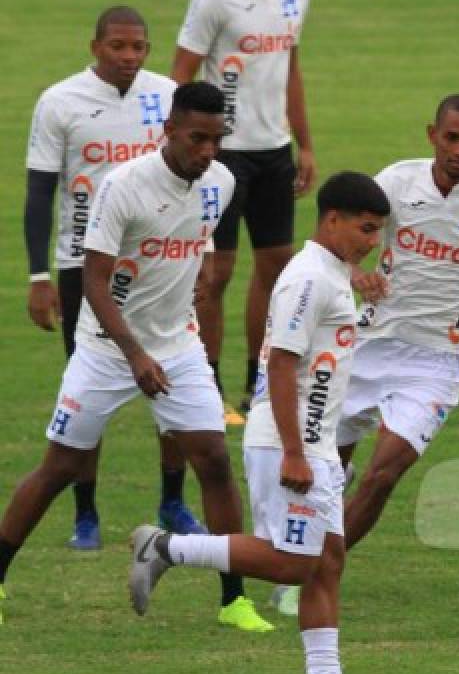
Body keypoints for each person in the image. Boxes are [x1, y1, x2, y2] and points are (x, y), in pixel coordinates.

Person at [0, 82, 272, 633]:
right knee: (61, 467)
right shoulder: (122, 187)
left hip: (178, 345)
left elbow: (191, 238)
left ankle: (233, 600)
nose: (208, 151)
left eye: (216, 140)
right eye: (197, 138)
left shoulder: (218, 181)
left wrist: (197, 274)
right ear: (168, 131)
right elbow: (94, 283)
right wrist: (134, 355)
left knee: (215, 462)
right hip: (105, 348)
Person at [129, 171, 391, 674]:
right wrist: (295, 451)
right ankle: (165, 547)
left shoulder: (334, 273)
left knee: (329, 559)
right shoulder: (307, 279)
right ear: (333, 219)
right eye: (366, 229)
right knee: (296, 563)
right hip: (288, 442)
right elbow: (282, 362)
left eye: (378, 232)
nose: (373, 241)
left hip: (313, 442)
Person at [288, 94, 459, 598]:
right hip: (366, 345)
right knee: (326, 467)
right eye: (451, 137)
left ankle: (316, 576)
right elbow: (340, 243)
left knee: (381, 475)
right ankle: (303, 547)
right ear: (432, 135)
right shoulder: (396, 182)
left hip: (435, 364)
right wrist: (357, 274)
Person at [23, 5, 206, 550]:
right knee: (88, 392)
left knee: (172, 381)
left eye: (138, 47)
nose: (129, 57)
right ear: (95, 46)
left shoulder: (167, 95)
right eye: (118, 46)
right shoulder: (60, 102)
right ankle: (85, 513)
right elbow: (39, 192)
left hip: (159, 262)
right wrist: (39, 274)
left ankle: (172, 500)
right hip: (87, 266)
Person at [172, 0, 316, 422]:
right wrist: (186, 148)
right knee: (215, 273)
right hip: (223, 153)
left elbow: (289, 67)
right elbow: (180, 74)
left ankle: (259, 384)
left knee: (276, 267)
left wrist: (304, 144)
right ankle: (207, 387)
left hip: (274, 151)